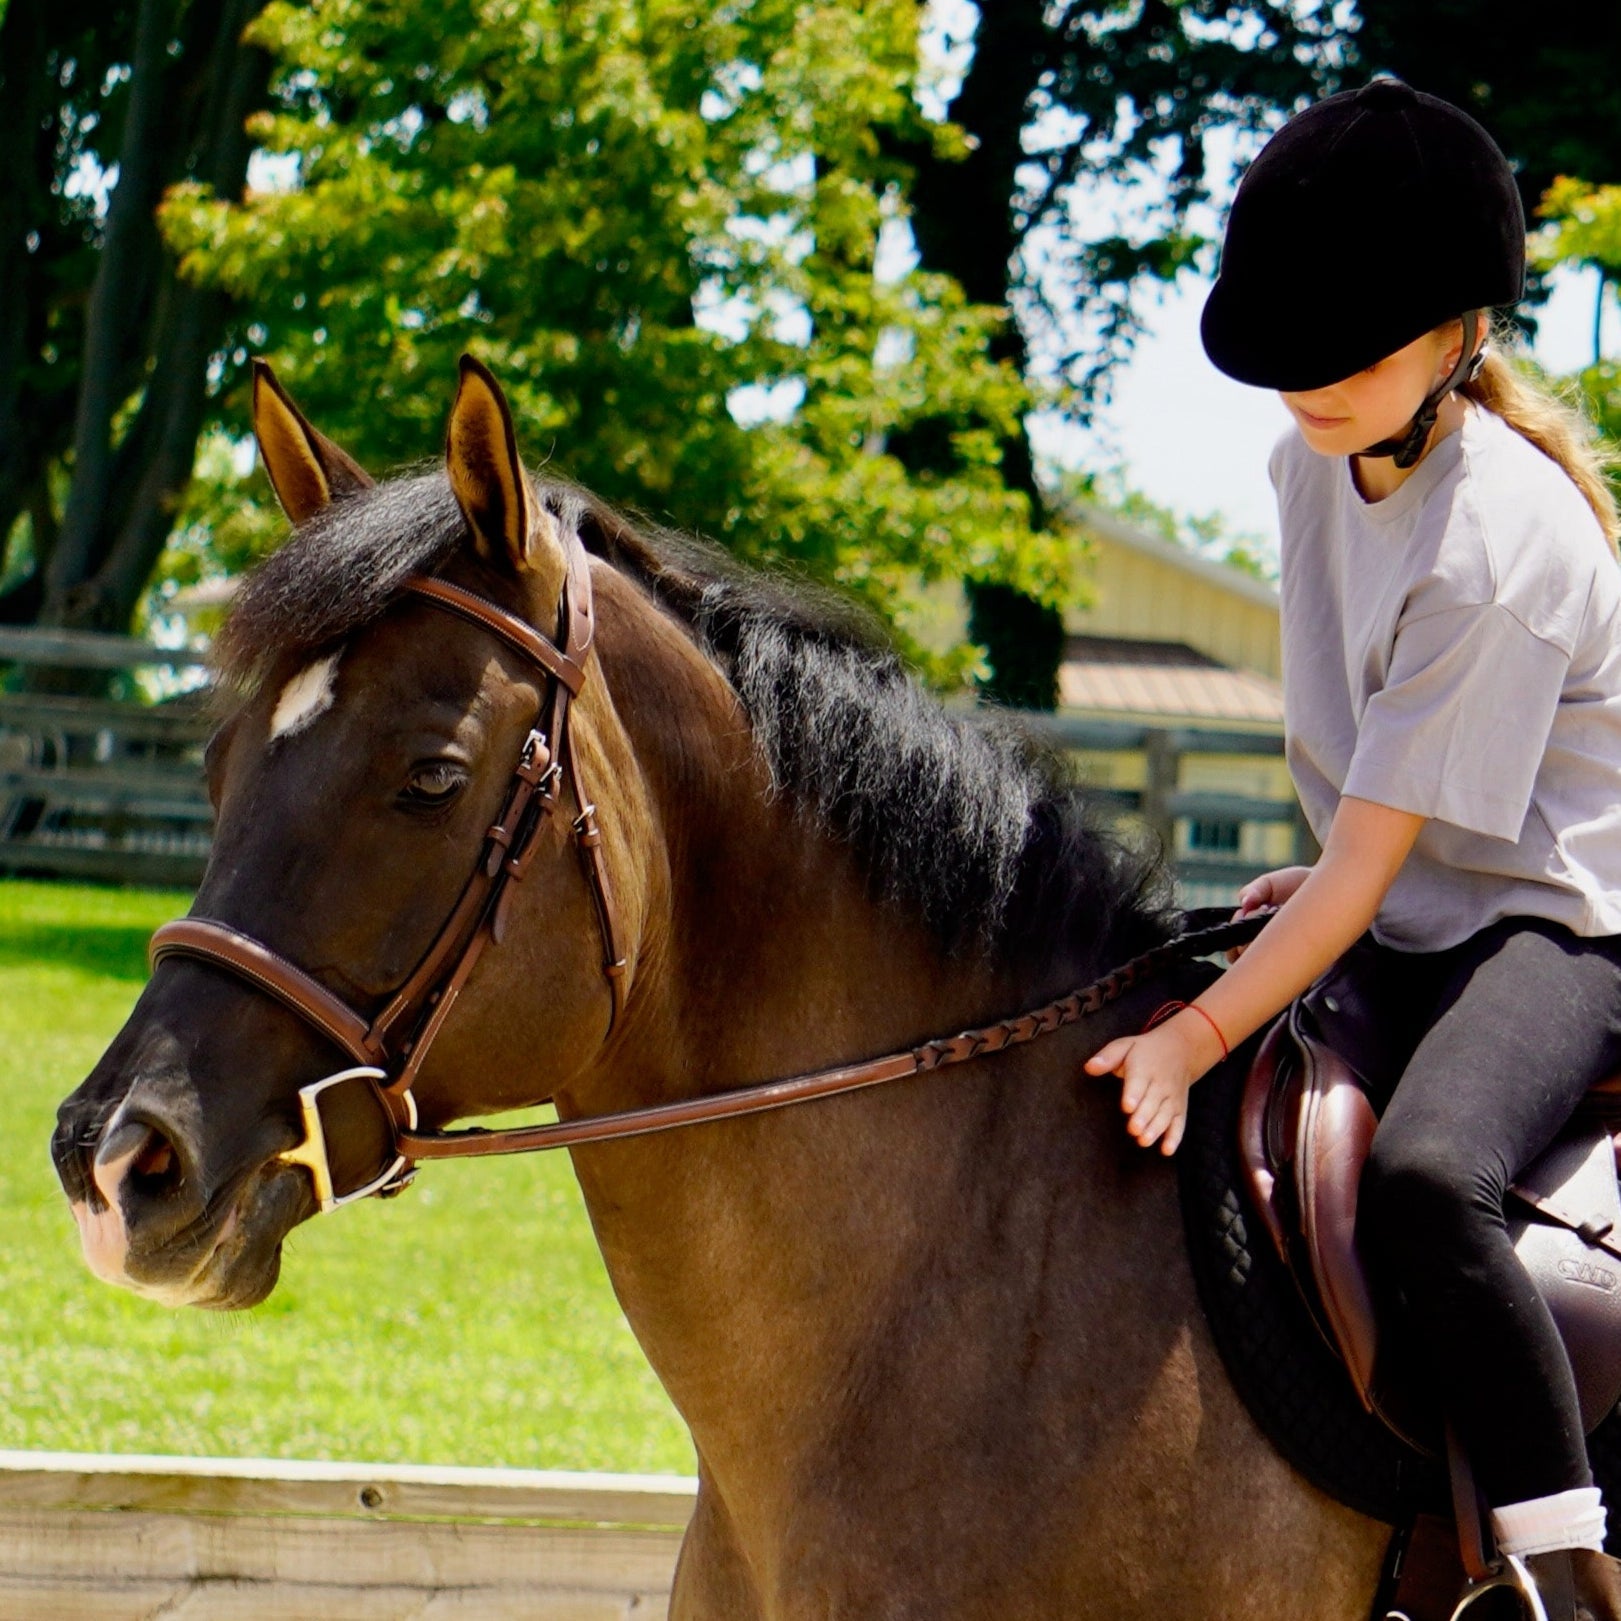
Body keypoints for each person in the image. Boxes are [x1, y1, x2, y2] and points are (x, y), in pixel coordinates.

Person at [1083, 78, 1621, 1620]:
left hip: (1557, 926)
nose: (1308, 383)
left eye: (1353, 349)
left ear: (1461, 335)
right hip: (1403, 904)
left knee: (1427, 1177)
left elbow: (1375, 871)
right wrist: (1301, 893)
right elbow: (1360, 794)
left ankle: (1553, 1563)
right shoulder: (1306, 461)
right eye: (1291, 351)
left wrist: (1192, 1039)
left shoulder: (1498, 539)